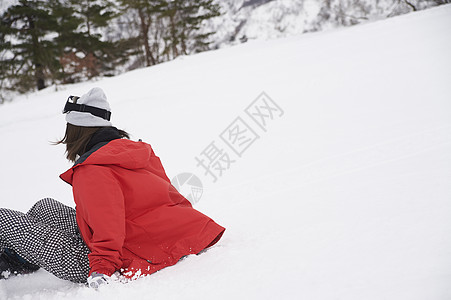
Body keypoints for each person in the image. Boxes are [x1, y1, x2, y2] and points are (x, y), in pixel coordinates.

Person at [0, 87, 225, 288]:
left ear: (78, 130)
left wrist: (102, 269)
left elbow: (109, 225)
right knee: (44, 207)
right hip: (138, 238)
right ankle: (16, 260)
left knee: (3, 219)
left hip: (108, 257)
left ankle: (9, 261)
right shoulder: (133, 151)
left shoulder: (92, 169)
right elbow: (167, 198)